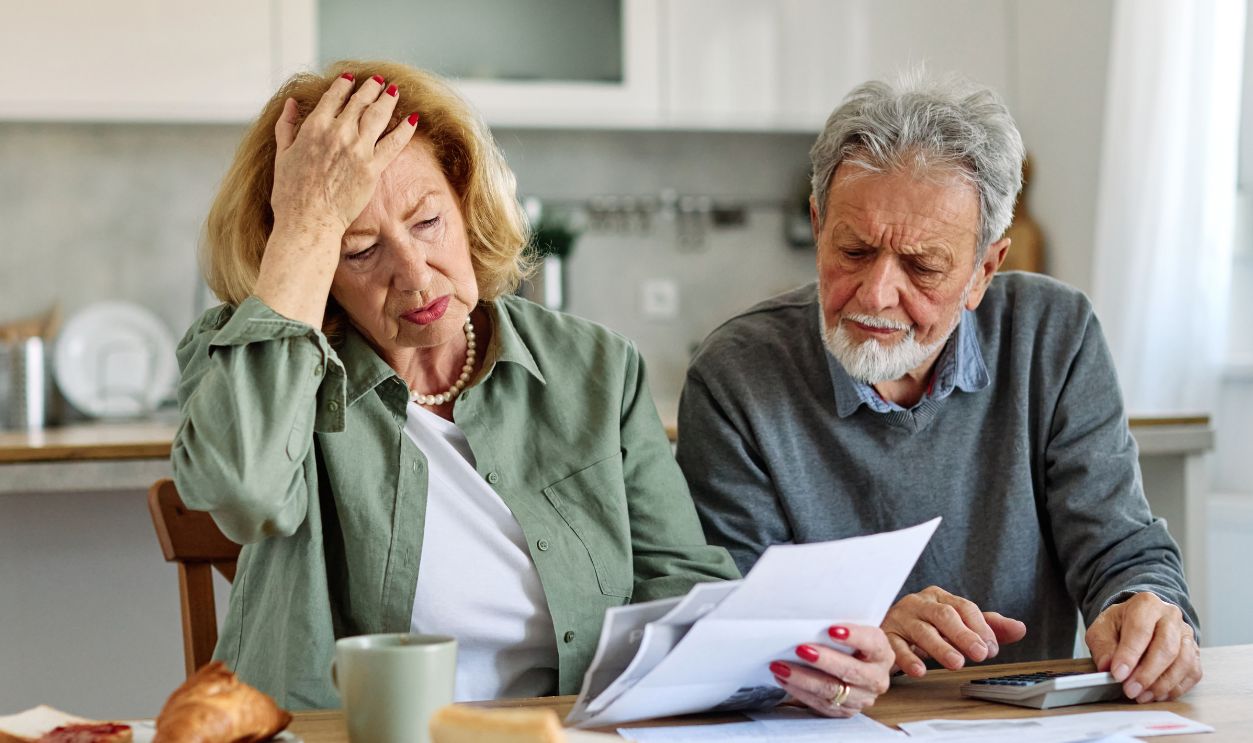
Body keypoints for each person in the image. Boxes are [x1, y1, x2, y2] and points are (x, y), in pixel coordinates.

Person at [173, 60, 893, 714]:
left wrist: (804, 662)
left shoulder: (594, 369)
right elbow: (245, 491)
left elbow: (679, 591)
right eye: (358, 250)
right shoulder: (248, 361)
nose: (417, 275)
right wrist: (304, 224)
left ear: (463, 198)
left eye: (428, 221)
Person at [677, 71, 1202, 705]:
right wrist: (857, 631)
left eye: (922, 266)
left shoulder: (1055, 336)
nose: (876, 295)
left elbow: (1120, 546)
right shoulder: (735, 373)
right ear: (818, 225)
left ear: (985, 269)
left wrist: (1144, 608)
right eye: (853, 251)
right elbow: (727, 624)